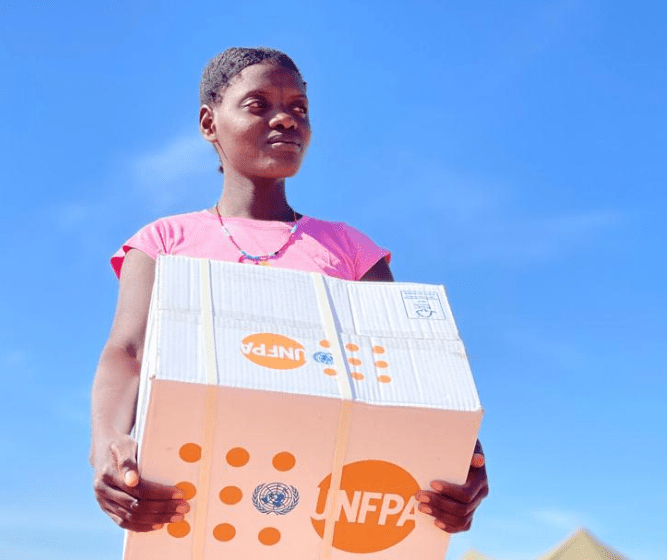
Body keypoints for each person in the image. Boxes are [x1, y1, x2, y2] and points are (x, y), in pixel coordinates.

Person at [91, 47, 489, 537]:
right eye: (259, 105)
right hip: (195, 508)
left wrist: (461, 459)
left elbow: (408, 370)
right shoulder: (163, 243)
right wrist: (108, 446)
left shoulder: (350, 249)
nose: (285, 119)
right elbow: (127, 351)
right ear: (209, 122)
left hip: (323, 512)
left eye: (298, 108)